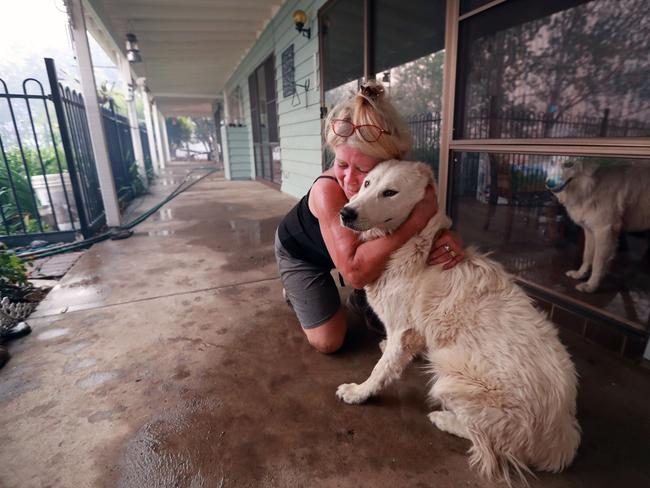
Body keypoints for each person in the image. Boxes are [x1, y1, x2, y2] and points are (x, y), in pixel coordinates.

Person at [275, 81, 464, 353]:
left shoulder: (406, 181)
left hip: (361, 253)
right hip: (302, 253)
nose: (350, 180)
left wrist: (449, 240)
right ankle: (294, 292)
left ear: (391, 164)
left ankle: (359, 302)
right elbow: (355, 272)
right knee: (329, 341)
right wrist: (416, 220)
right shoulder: (328, 191)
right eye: (341, 165)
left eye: (363, 170)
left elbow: (433, 231)